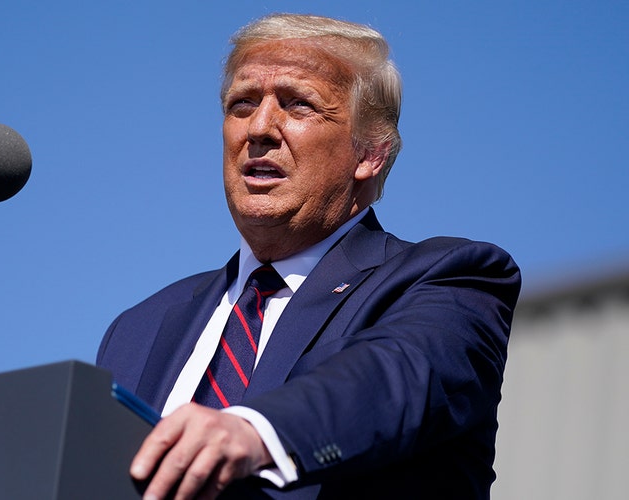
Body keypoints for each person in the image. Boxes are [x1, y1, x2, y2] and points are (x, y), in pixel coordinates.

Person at [97, 13, 520, 500]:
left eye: (298, 105)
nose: (258, 128)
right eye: (242, 104)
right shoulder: (138, 327)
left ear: (371, 153)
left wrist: (253, 432)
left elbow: (393, 377)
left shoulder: (451, 280)